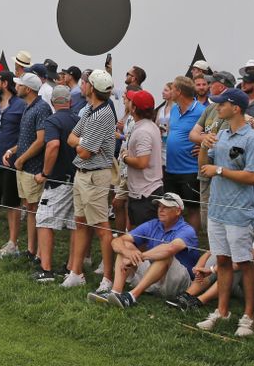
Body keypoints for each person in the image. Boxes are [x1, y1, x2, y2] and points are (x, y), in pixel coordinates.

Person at [195, 87, 254, 337]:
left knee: (243, 263)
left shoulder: (252, 138)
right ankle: (222, 311)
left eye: (221, 104)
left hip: (239, 212)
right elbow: (204, 168)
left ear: (235, 108)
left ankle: (249, 316)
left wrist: (220, 171)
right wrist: (204, 146)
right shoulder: (220, 134)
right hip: (217, 210)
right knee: (223, 260)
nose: (217, 107)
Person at [89, 193, 199, 308]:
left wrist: (140, 256)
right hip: (155, 275)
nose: (161, 210)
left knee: (165, 255)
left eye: (166, 207)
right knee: (125, 245)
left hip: (178, 284)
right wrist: (128, 253)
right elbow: (116, 241)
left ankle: (131, 296)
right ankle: (115, 293)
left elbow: (169, 249)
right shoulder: (153, 224)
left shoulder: (187, 230)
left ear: (178, 211)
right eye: (159, 206)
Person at [64, 69, 118, 292]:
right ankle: (76, 272)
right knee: (81, 223)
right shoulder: (89, 111)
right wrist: (83, 143)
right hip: (83, 173)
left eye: (86, 83)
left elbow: (85, 152)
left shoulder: (101, 115)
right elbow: (71, 138)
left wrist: (82, 144)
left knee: (102, 227)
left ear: (92, 88)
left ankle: (108, 278)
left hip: (96, 175)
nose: (82, 85)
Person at [3, 71, 52, 258]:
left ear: (28, 89)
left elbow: (41, 140)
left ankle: (37, 252)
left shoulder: (41, 108)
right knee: (29, 208)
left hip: (32, 168)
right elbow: (27, 138)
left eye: (19, 85)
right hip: (24, 167)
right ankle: (31, 250)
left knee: (35, 209)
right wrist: (13, 151)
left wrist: (21, 159)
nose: (16, 87)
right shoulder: (28, 106)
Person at [34, 85, 79, 282]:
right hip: (77, 179)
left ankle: (46, 269)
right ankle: (71, 267)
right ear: (70, 102)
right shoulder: (78, 119)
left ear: (53, 103)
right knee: (74, 225)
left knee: (43, 220)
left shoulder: (52, 120)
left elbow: (53, 145)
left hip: (58, 180)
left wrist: (44, 173)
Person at [164, 76, 205, 230]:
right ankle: (174, 239)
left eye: (172, 88)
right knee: (172, 206)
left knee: (192, 208)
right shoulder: (174, 109)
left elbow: (214, 135)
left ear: (179, 91)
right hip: (171, 168)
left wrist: (204, 148)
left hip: (191, 169)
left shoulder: (201, 110)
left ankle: (190, 243)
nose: (170, 91)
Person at [122, 89, 164, 228]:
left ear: (133, 108)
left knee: (144, 240)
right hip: (145, 191)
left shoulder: (143, 131)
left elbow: (142, 162)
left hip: (146, 193)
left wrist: (125, 157)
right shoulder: (150, 126)